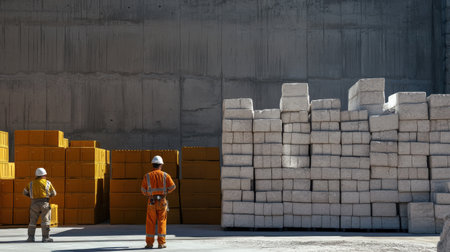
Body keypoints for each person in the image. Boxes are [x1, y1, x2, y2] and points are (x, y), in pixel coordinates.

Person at [141, 155, 176, 249]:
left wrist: (149, 194)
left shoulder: (147, 176)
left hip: (151, 201)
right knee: (162, 222)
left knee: (150, 222)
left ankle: (149, 244)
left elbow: (143, 190)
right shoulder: (165, 175)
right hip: (162, 201)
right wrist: (165, 192)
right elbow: (173, 187)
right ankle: (161, 243)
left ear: (153, 165)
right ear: (161, 165)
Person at [23, 167, 57, 242]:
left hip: (34, 203)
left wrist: (31, 196)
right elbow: (54, 193)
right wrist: (48, 196)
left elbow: (24, 192)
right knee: (45, 221)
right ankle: (45, 238)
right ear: (43, 175)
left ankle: (31, 238)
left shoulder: (31, 183)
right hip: (45, 203)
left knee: (32, 222)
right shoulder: (48, 183)